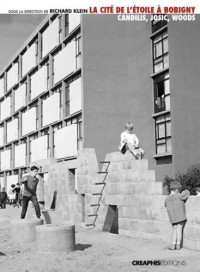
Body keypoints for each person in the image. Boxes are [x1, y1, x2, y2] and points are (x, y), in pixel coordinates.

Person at [165, 181, 190, 250]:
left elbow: (165, 205)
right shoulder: (179, 195)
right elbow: (187, 192)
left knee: (174, 230)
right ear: (177, 190)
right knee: (179, 230)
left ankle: (173, 245)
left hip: (172, 218)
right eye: (179, 190)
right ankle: (178, 245)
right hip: (181, 217)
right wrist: (180, 192)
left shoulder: (167, 198)